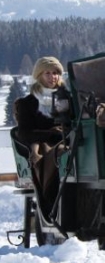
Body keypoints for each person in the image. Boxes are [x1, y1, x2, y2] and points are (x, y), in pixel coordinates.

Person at [14, 56, 66, 218]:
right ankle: (51, 203)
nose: (53, 77)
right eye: (47, 73)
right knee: (50, 154)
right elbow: (24, 133)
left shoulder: (67, 100)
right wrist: (52, 133)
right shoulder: (27, 103)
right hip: (44, 146)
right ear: (39, 76)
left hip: (69, 140)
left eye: (56, 73)